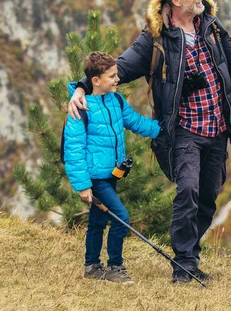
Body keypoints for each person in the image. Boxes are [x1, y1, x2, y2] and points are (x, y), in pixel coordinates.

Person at [68, 0, 231, 284]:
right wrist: (80, 88)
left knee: (208, 197)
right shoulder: (155, 39)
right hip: (184, 131)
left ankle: (190, 258)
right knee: (189, 191)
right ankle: (184, 267)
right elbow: (120, 68)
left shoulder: (211, 26)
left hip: (217, 127)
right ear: (177, 0)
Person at [63, 51, 161, 284]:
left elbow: (135, 122)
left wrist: (162, 130)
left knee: (98, 221)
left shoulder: (116, 100)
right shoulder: (81, 108)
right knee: (121, 216)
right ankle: (115, 266)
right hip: (95, 177)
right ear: (95, 81)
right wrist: (83, 185)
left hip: (111, 174)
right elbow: (73, 149)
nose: (118, 79)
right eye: (112, 76)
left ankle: (92, 266)